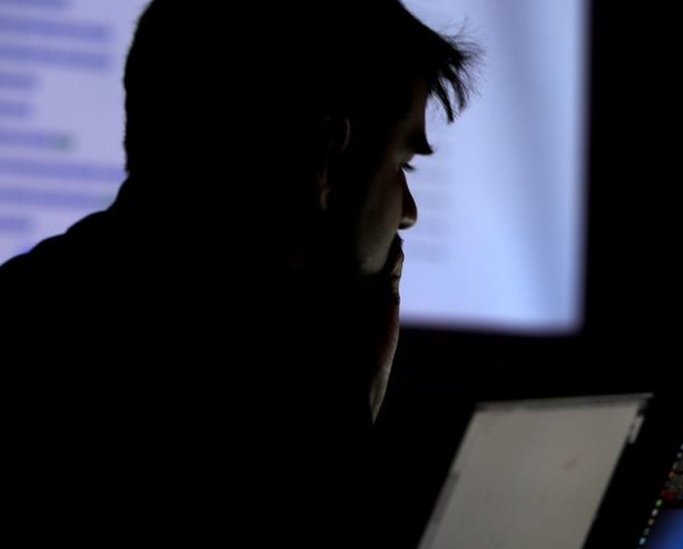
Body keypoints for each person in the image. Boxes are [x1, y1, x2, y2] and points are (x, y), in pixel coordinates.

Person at [0, 0, 476, 543]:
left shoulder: (33, 303)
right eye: (401, 164)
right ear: (328, 152)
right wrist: (346, 405)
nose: (409, 211)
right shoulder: (263, 402)